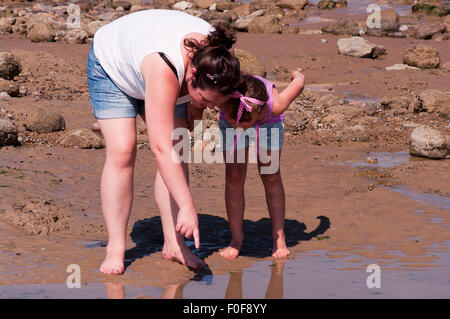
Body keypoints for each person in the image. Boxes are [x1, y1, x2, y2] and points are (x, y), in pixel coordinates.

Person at [87, 9, 241, 274]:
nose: (210, 108)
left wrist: (199, 106)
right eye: (206, 101)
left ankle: (174, 243)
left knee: (178, 150)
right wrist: (188, 207)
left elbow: (175, 146)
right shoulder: (166, 68)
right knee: (124, 150)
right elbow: (160, 147)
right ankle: (115, 247)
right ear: (192, 76)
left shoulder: (219, 63)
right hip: (113, 68)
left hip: (166, 73)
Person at [217, 71, 305, 259]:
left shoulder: (275, 106)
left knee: (270, 175)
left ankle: (279, 238)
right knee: (233, 176)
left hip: (268, 125)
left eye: (244, 123)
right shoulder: (223, 99)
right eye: (237, 122)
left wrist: (297, 76)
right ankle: (236, 239)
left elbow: (299, 84)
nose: (240, 127)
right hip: (231, 119)